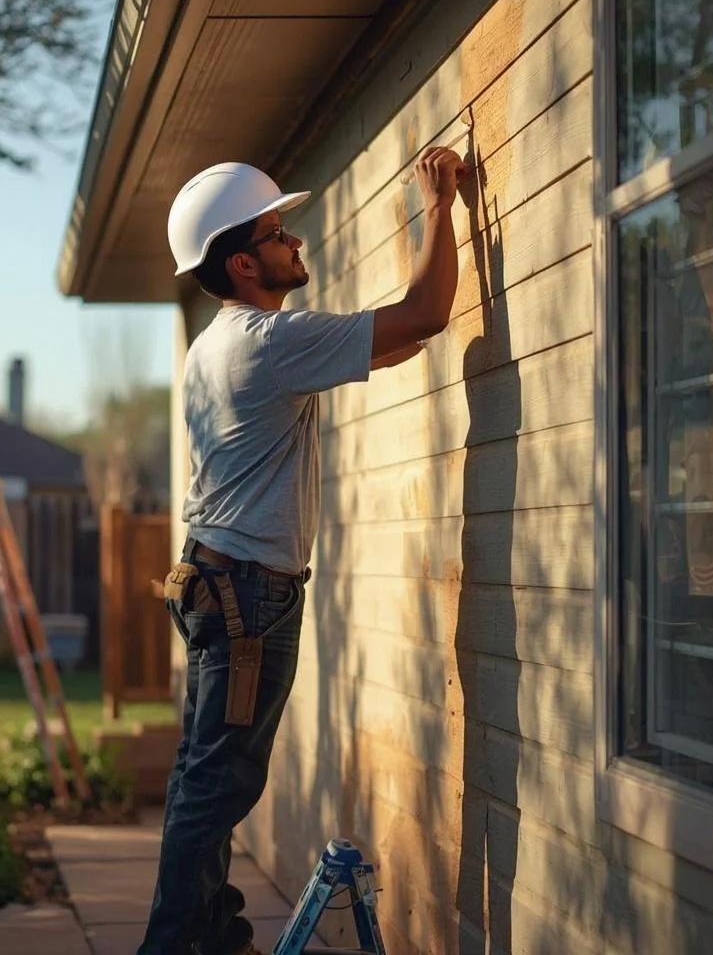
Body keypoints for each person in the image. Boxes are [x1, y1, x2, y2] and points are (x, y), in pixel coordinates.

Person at [137, 144, 470, 955]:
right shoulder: (265, 343)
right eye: (278, 231)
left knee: (203, 777)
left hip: (217, 585)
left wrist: (397, 321)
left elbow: (398, 342)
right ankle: (173, 946)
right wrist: (439, 206)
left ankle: (210, 936)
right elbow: (423, 318)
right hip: (247, 600)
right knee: (219, 784)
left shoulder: (222, 345)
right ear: (245, 262)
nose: (296, 240)